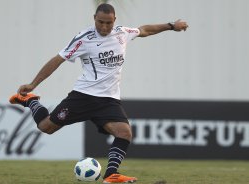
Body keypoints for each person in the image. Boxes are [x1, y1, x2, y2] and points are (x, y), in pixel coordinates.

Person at [9, 3, 188, 183]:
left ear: (114, 20)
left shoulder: (122, 33)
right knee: (45, 127)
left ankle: (111, 175)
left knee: (124, 133)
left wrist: (171, 26)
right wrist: (33, 84)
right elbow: (57, 60)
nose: (104, 27)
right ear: (94, 18)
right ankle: (31, 101)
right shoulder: (83, 39)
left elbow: (144, 30)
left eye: (108, 23)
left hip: (109, 100)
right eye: (100, 22)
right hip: (83, 96)